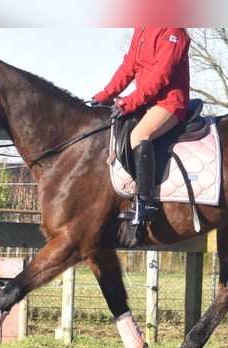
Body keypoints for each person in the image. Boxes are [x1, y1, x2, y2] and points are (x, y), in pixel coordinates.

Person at [92, 28, 191, 240]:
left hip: (169, 102)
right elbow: (129, 65)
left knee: (139, 136)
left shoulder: (173, 29)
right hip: (146, 101)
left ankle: (145, 204)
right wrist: (104, 95)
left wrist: (128, 102)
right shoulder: (143, 27)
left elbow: (161, 76)